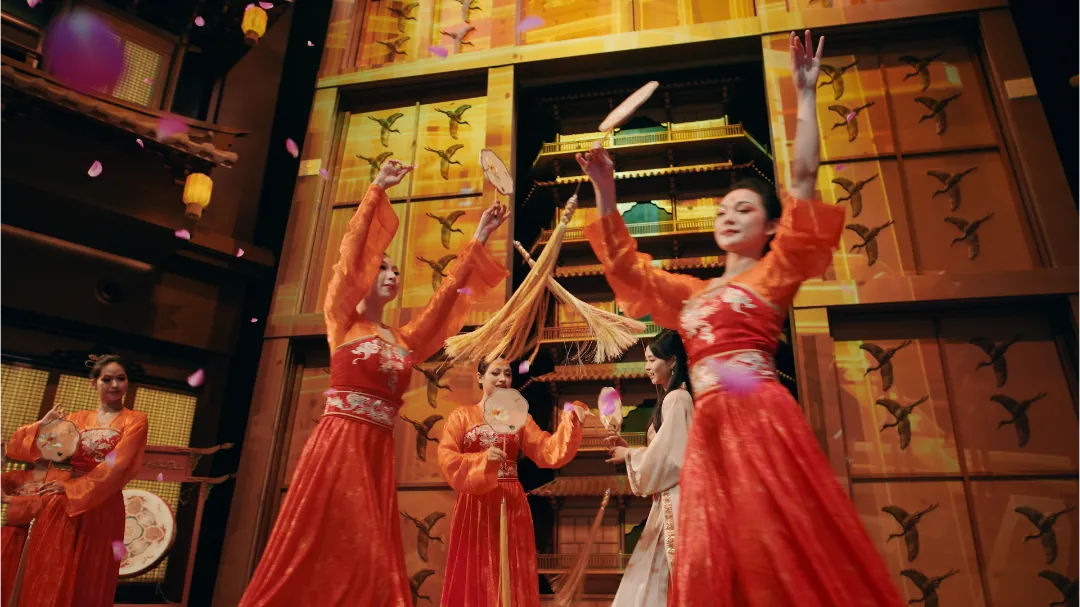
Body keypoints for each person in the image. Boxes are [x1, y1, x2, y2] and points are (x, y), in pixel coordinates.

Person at [581, 31, 903, 607]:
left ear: (773, 226)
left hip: (760, 418)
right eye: (724, 208)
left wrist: (806, 95)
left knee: (775, 550)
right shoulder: (692, 294)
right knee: (712, 557)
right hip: (708, 433)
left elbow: (802, 180)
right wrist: (606, 187)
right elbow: (628, 269)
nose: (729, 215)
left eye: (745, 208)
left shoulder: (775, 273)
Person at [237, 159, 510, 607]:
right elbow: (350, 258)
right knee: (323, 543)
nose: (391, 274)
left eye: (395, 271)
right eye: (382, 267)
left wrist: (479, 237)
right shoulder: (342, 322)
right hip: (338, 443)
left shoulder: (405, 339)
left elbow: (445, 299)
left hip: (377, 449)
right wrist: (377, 190)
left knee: (371, 551)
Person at [437, 357, 588, 607]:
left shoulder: (519, 418)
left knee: (510, 568)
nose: (502, 379)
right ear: (480, 378)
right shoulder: (462, 416)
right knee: (477, 570)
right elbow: (447, 457)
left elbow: (547, 450)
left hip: (510, 501)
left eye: (507, 374)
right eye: (495, 373)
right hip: (475, 504)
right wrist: (481, 460)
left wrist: (571, 421)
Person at [5, 354, 149, 607]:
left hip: (102, 501)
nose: (115, 385)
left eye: (121, 378)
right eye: (107, 379)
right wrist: (44, 424)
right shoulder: (77, 418)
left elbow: (118, 464)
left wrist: (73, 487)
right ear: (93, 383)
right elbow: (34, 450)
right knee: (51, 566)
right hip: (63, 500)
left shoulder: (135, 420)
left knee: (89, 570)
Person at [603, 330, 693, 607]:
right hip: (669, 499)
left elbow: (672, 459)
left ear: (672, 361)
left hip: (677, 500)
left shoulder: (676, 399)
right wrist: (629, 451)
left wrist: (630, 455)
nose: (646, 367)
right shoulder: (675, 398)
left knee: (664, 576)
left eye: (652, 360)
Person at [0, 458, 69, 602]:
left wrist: (9, 499)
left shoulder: (63, 476)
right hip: (13, 536)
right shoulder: (18, 475)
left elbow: (48, 502)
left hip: (42, 536)